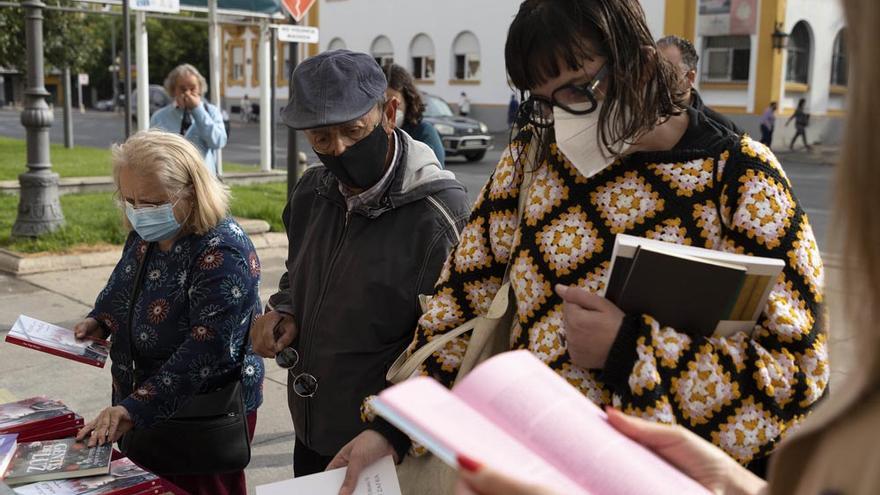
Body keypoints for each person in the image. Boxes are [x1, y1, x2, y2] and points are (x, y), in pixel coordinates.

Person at [363, 0, 823, 487]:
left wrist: (631, 349)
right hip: (526, 469)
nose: (564, 117)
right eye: (543, 100)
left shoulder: (741, 179)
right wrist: (392, 427)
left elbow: (798, 376)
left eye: (579, 89)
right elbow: (460, 300)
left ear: (640, 62)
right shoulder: (532, 157)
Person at [249, 49, 470, 482]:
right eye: (321, 139)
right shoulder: (312, 191)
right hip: (312, 429)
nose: (339, 150)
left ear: (389, 112)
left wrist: (392, 430)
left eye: (353, 130)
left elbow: (456, 345)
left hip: (386, 445)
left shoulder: (438, 214)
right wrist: (285, 309)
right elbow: (300, 272)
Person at [73, 130, 264, 495]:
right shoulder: (147, 235)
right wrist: (99, 321)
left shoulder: (223, 252)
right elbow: (122, 289)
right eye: (129, 200)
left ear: (191, 193)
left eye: (151, 202)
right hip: (143, 408)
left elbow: (207, 349)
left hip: (201, 419)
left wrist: (132, 409)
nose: (138, 212)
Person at [657, 35, 743, 135]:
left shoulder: (722, 131)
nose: (656, 79)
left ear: (690, 77)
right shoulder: (639, 122)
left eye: (666, 72)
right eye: (651, 70)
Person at [150, 64, 227, 175]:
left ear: (200, 89)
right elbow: (154, 153)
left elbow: (218, 141)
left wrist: (197, 110)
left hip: (204, 180)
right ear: (173, 90)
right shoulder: (160, 117)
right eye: (182, 89)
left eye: (192, 88)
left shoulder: (211, 112)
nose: (187, 93)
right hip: (173, 182)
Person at [384, 63, 446, 165]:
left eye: (395, 104)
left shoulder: (424, 132)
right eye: (382, 104)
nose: (387, 111)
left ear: (408, 101)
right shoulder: (366, 134)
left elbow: (435, 176)